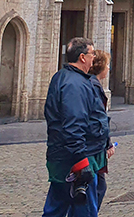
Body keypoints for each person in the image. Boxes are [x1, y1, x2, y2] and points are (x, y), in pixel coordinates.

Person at [42, 37, 109, 217]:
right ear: (82, 57)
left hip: (63, 155)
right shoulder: (74, 84)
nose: (94, 58)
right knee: (82, 210)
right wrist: (81, 161)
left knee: (56, 207)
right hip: (75, 158)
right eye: (92, 54)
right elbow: (74, 123)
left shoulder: (64, 77)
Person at [89, 50, 115, 208]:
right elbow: (98, 120)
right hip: (92, 148)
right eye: (107, 65)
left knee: (98, 186)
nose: (108, 69)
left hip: (94, 146)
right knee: (97, 188)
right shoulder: (93, 86)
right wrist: (107, 144)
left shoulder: (93, 85)